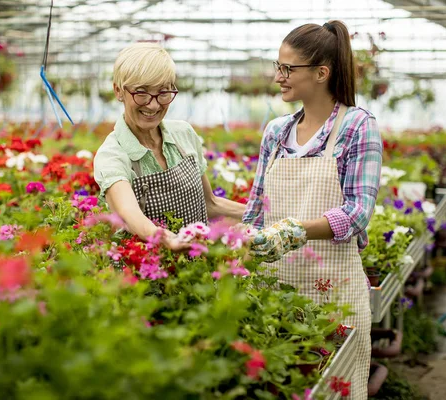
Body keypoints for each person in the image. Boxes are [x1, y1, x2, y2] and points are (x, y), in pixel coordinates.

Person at [244, 21, 382, 400]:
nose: (278, 77)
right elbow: (257, 208)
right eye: (278, 66)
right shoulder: (275, 132)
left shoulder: (357, 127)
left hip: (333, 293)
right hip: (274, 292)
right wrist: (239, 243)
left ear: (321, 73)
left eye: (288, 69)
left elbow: (357, 213)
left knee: (335, 387)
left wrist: (294, 231)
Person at [93, 42, 246, 251]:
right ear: (119, 91)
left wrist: (260, 214)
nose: (153, 104)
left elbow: (209, 204)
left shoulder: (184, 134)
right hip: (147, 275)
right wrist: (167, 239)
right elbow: (130, 213)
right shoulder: (112, 155)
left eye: (163, 92)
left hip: (197, 270)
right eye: (141, 92)